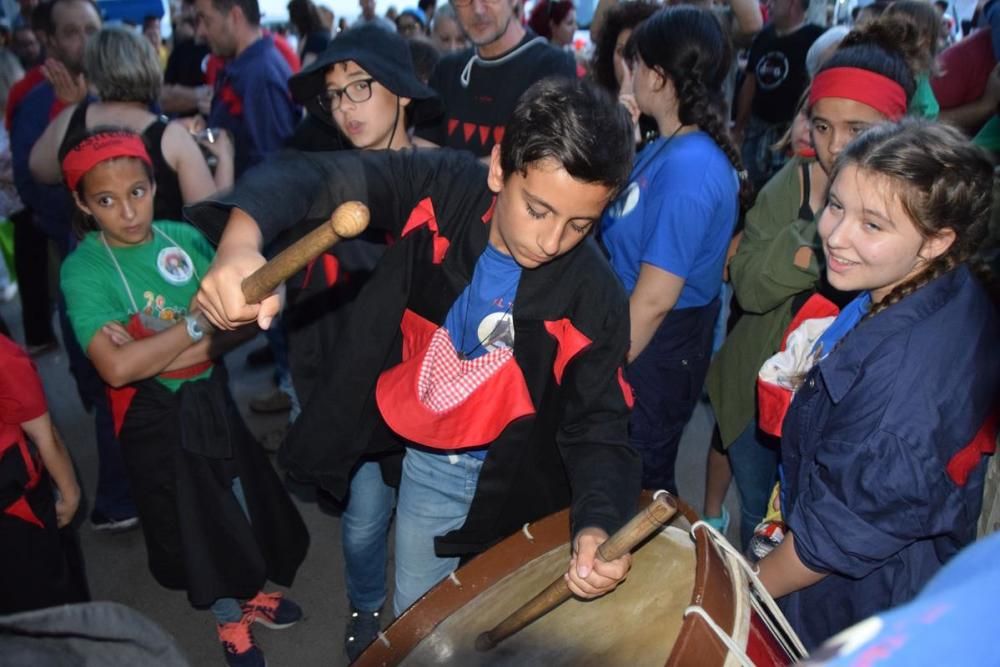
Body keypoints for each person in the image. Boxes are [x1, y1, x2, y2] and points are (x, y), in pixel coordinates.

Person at [189, 77, 640, 625]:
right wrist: (240, 242)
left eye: (580, 225)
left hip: (529, 468)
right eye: (539, 210)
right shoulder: (445, 186)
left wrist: (597, 524)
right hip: (434, 459)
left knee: (510, 626)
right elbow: (314, 174)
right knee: (418, 622)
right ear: (498, 167)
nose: (551, 243)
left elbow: (600, 425)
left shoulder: (597, 295)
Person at [58, 128, 309, 667]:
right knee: (197, 521)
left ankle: (248, 593)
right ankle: (228, 620)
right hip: (154, 418)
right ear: (81, 202)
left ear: (155, 184)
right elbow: (117, 370)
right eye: (105, 200)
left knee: (240, 500)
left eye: (138, 192)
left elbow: (250, 321)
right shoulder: (84, 268)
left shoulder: (183, 237)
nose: (127, 212)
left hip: (211, 397)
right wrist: (199, 328)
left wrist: (163, 345)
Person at [756, 119, 999, 649]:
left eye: (872, 225)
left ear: (937, 241)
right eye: (837, 205)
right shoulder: (933, 281)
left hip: (857, 601)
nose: (834, 236)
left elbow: (824, 544)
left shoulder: (904, 392)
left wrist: (746, 594)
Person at [706, 23, 918, 548]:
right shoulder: (791, 186)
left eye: (857, 128)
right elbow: (749, 289)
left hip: (853, 409)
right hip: (767, 393)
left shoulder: (919, 208)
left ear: (898, 125)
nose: (836, 146)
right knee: (763, 517)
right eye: (822, 126)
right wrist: (818, 243)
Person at [285, 24, 440, 659]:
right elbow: (304, 299)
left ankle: (422, 625)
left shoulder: (448, 175)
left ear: (402, 91)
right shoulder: (322, 182)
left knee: (428, 534)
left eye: (360, 88)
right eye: (334, 95)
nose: (346, 107)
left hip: (434, 390)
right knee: (365, 522)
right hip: (358, 392)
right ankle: (365, 606)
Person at [601, 6, 747, 495]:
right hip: (645, 335)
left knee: (638, 483)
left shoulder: (690, 169)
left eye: (637, 63)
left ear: (660, 76)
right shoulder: (668, 143)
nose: (631, 73)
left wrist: (603, 370)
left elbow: (656, 298)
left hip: (655, 346)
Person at [29, 26, 234, 223]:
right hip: (159, 255)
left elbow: (40, 170)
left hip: (92, 253)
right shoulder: (171, 137)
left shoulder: (70, 119)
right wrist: (225, 156)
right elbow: (210, 221)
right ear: (149, 65)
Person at [414, 0, 575, 157]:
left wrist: (446, 173)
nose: (477, 9)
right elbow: (422, 154)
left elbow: (536, 162)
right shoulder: (447, 69)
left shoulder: (552, 67)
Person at [0, 333, 88, 615]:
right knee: (47, 603)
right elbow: (43, 434)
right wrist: (70, 493)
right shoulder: (4, 357)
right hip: (14, 504)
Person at [195, 0, 299, 177]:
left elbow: (272, 171)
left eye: (207, 20)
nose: (201, 32)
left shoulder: (261, 77)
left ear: (235, 16)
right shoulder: (250, 68)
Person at [733, 0, 824, 189]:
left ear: (792, 4)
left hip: (789, 134)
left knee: (783, 187)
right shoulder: (763, 36)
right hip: (756, 130)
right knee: (746, 179)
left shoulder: (815, 38)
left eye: (774, 1)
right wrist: (739, 127)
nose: (768, 5)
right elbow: (750, 82)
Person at [287, 0, 330, 68]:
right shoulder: (320, 34)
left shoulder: (316, 40)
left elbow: (307, 70)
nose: (290, 20)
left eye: (292, 16)